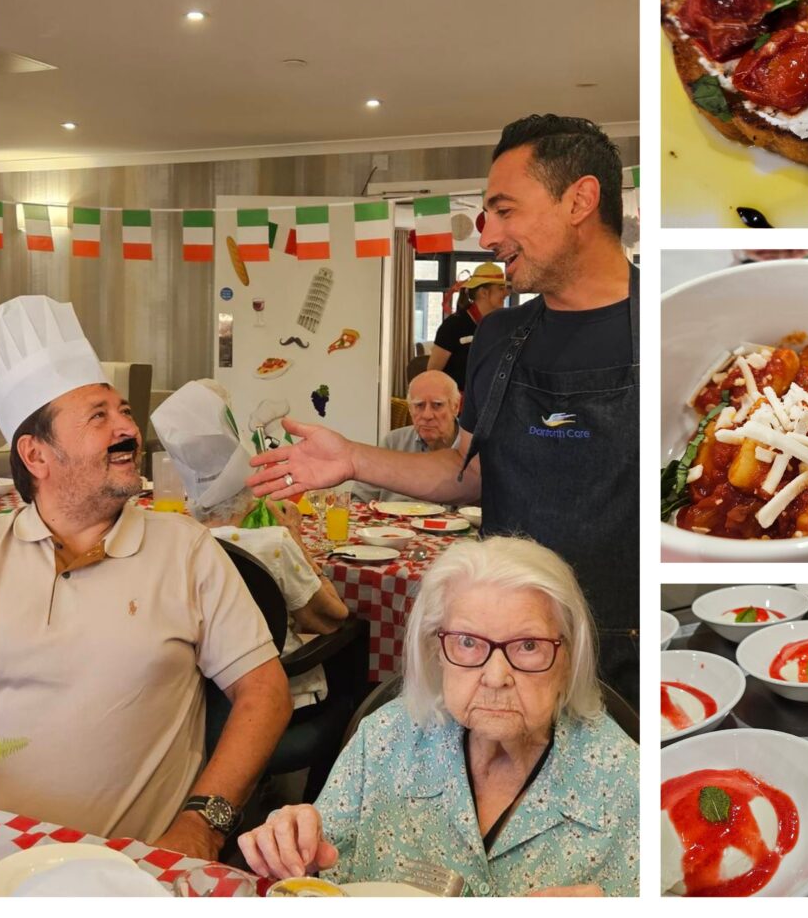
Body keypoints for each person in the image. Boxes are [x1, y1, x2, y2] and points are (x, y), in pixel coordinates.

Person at [247, 114, 639, 707]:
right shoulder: (501, 336)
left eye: (505, 211)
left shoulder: (672, 320)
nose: (488, 236)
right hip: (510, 645)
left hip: (637, 645)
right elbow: (468, 472)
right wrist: (353, 458)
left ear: (580, 199)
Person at [0, 296, 292, 858]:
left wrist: (205, 823)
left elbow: (266, 694)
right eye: (99, 416)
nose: (128, 427)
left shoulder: (185, 549)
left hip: (135, 867)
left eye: (123, 411)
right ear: (36, 456)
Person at [238, 537, 638, 896]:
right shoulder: (383, 740)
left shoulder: (625, 780)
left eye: (529, 645)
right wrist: (293, 847)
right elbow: (320, 874)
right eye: (467, 642)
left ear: (569, 657)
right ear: (435, 649)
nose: (496, 677)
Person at [152, 379, 350, 799]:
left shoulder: (170, 540)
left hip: (192, 704)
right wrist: (294, 536)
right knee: (355, 653)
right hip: (275, 703)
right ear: (253, 488)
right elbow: (332, 619)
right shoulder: (273, 544)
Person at [350, 370, 464, 504]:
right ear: (410, 409)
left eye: (437, 405)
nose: (427, 415)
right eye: (419, 405)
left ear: (455, 407)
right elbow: (359, 499)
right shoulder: (393, 443)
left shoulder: (474, 448)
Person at [427, 262, 508, 390]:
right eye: (501, 288)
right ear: (484, 292)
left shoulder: (500, 324)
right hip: (456, 402)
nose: (506, 293)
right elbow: (432, 373)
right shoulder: (453, 325)